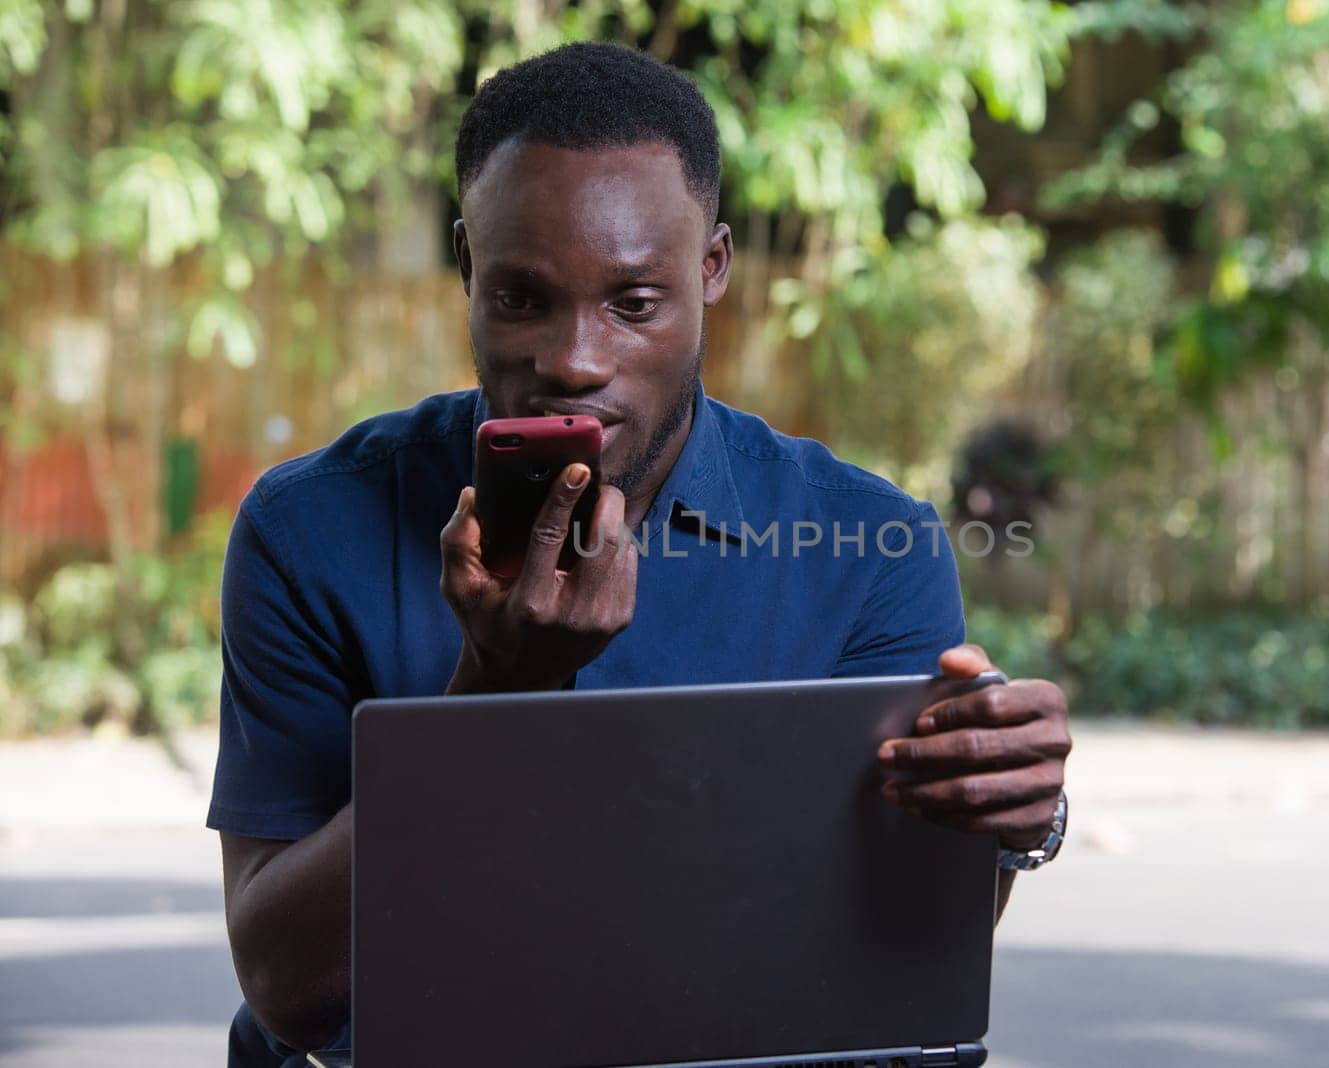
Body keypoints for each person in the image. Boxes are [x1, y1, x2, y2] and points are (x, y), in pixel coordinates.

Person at [210, 41, 1072, 1067]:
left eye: (632, 302)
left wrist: (1009, 816)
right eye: (521, 298)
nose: (574, 361)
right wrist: (494, 696)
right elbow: (287, 992)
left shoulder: (868, 547)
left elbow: (899, 952)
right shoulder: (311, 529)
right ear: (467, 267)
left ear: (711, 270)